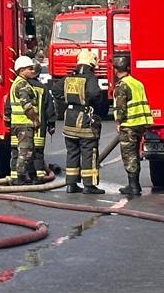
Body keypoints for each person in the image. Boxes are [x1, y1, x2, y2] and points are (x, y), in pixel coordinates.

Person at [58, 49, 106, 194]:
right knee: (88, 153)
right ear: (92, 64)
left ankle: (71, 184)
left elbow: (56, 90)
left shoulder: (68, 78)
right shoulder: (90, 78)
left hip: (69, 121)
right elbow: (95, 94)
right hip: (85, 121)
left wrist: (69, 100)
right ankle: (89, 185)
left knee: (72, 152)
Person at [112, 54, 153, 197]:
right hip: (140, 124)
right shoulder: (137, 83)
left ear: (115, 69)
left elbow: (121, 108)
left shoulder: (122, 86)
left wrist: (118, 122)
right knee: (135, 153)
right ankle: (134, 185)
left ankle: (133, 186)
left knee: (129, 156)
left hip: (129, 124)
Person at [7, 55, 46, 185]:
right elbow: (27, 106)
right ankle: (20, 178)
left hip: (20, 123)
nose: (32, 71)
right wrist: (35, 119)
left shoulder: (19, 83)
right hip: (24, 123)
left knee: (30, 150)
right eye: (30, 69)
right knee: (25, 152)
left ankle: (32, 175)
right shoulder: (22, 85)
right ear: (22, 70)